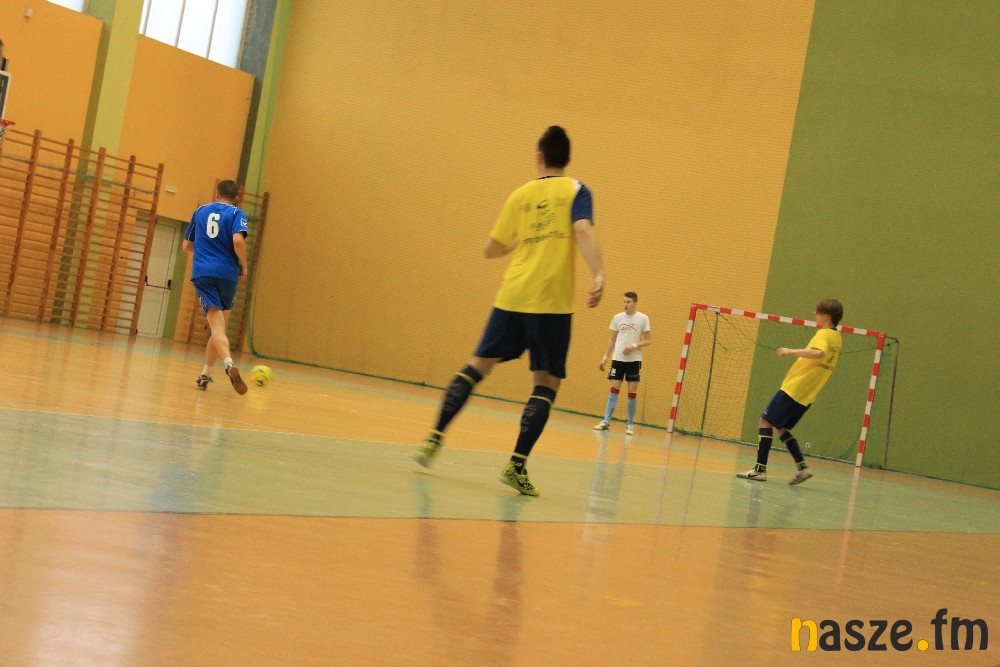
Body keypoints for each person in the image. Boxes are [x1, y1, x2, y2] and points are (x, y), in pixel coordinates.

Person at [415, 125, 606, 496]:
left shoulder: (520, 195)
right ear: (568, 159)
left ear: (539, 157)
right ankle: (516, 465)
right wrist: (599, 274)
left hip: (512, 295)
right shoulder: (576, 190)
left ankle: (433, 437)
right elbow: (582, 231)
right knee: (546, 382)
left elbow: (490, 249)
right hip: (551, 301)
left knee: (477, 365)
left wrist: (518, 243)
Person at [737, 299, 844, 485]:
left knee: (765, 421)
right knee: (781, 429)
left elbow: (818, 353)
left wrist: (789, 351)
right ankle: (803, 468)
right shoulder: (838, 338)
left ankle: (759, 470)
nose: (814, 314)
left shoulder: (824, 333)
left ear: (827, 317)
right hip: (808, 394)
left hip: (795, 388)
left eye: (817, 312)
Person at [182, 179, 250, 395]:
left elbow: (186, 246)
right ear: (237, 197)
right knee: (219, 326)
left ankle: (229, 363)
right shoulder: (237, 213)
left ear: (216, 193)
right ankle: (205, 373)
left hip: (204, 273)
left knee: (216, 326)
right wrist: (244, 265)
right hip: (228, 274)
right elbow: (238, 241)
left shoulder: (200, 211)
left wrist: (205, 252)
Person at [592, 292, 651, 435]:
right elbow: (612, 340)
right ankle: (606, 422)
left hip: (634, 361)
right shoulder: (618, 318)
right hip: (618, 359)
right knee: (614, 389)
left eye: (628, 302)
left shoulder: (643, 318)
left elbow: (648, 340)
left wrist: (634, 346)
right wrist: (605, 358)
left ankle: (630, 425)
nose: (625, 304)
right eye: (624, 301)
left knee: (632, 392)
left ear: (635, 303)